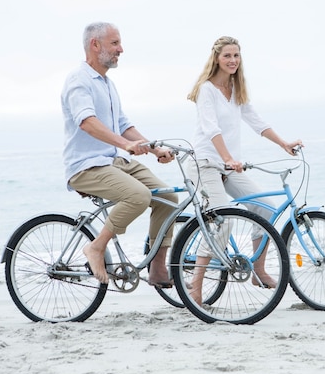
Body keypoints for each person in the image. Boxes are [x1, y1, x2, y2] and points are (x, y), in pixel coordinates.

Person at [186, 36, 303, 304]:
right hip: (205, 164)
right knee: (222, 221)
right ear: (216, 58)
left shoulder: (236, 90)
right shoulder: (206, 89)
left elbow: (256, 121)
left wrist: (284, 143)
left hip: (229, 165)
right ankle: (196, 286)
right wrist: (227, 157)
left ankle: (258, 270)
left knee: (266, 208)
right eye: (227, 55)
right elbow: (210, 128)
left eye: (236, 56)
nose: (233, 60)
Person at [61, 21, 178, 287]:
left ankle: (157, 266)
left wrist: (154, 147)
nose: (121, 49)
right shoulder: (78, 80)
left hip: (116, 162)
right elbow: (86, 121)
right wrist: (124, 144)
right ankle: (96, 247)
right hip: (87, 166)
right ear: (95, 44)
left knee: (169, 197)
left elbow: (124, 125)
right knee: (138, 196)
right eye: (115, 43)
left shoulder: (107, 83)